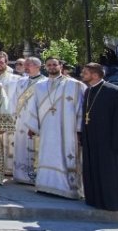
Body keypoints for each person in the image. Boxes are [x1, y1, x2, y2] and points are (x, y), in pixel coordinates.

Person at [78, 62, 118, 211]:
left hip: (110, 141)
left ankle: (113, 201)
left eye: (85, 72)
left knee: (110, 172)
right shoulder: (88, 91)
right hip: (92, 140)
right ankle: (95, 199)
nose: (82, 75)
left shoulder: (114, 91)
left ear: (96, 74)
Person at [22, 57, 81, 198]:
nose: (52, 67)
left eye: (55, 64)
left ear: (61, 65)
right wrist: (32, 127)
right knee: (46, 155)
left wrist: (79, 129)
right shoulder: (40, 86)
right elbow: (33, 107)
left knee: (64, 156)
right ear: (45, 67)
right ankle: (45, 185)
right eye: (49, 65)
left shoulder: (74, 85)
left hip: (67, 129)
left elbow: (80, 108)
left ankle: (67, 188)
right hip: (46, 128)